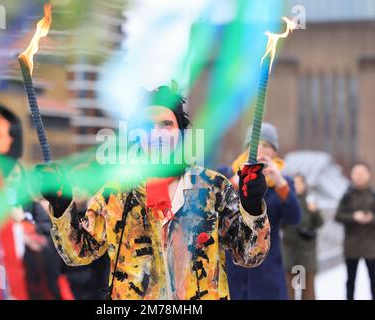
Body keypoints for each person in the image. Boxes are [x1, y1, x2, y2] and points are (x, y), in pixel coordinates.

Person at [37, 85, 271, 300]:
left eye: (166, 124)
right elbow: (77, 252)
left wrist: (252, 208)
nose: (157, 134)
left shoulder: (213, 188)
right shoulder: (116, 194)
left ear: (181, 131)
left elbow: (250, 254)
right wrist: (61, 207)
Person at [225, 122, 301, 300]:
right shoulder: (226, 173)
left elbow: (295, 218)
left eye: (267, 145)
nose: (261, 149)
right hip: (233, 269)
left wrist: (280, 181)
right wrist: (241, 178)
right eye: (255, 144)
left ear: (275, 152)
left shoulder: (284, 182)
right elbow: (217, 206)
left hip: (268, 270)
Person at [335, 162, 375, 300]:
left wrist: (371, 218)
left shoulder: (373, 194)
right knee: (350, 280)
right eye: (356, 173)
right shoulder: (347, 196)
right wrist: (353, 217)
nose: (359, 176)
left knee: (373, 280)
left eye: (362, 173)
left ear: (368, 175)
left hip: (371, 246)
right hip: (351, 245)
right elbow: (338, 216)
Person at [283, 173, 323, 300]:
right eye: (294, 183)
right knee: (289, 289)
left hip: (307, 251)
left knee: (308, 290)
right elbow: (280, 224)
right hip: (290, 252)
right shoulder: (286, 201)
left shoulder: (310, 200)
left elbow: (319, 223)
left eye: (300, 183)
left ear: (304, 185)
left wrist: (315, 211)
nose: (297, 186)